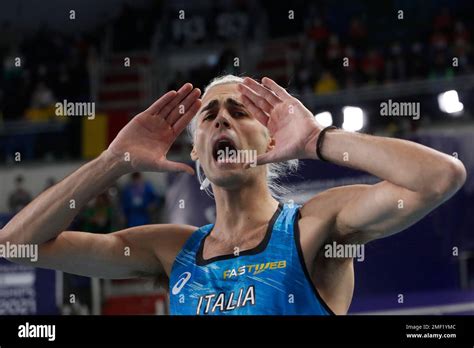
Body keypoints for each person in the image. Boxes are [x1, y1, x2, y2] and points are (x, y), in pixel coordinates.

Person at [1, 76, 466, 315]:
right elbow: (17, 245)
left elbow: (438, 178)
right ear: (197, 153)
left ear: (270, 143)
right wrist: (111, 162)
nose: (221, 120)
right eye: (208, 116)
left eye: (239, 111)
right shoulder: (170, 251)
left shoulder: (313, 225)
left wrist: (318, 141)